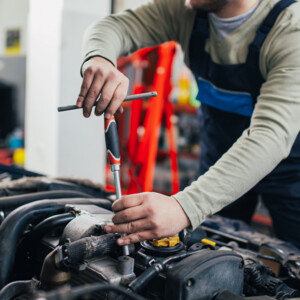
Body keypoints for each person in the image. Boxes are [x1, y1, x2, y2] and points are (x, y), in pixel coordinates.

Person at [76, 0, 300, 248]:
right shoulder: (187, 9)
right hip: (220, 159)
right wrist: (100, 58)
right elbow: (115, 26)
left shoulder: (292, 29)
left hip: (290, 167)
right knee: (216, 253)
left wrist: (185, 207)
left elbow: (270, 135)